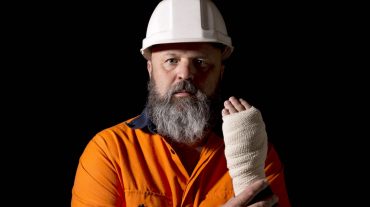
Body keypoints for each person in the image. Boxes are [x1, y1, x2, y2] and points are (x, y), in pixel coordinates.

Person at [71, 0, 291, 206]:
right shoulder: (109, 151)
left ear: (221, 72)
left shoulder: (254, 153)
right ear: (150, 70)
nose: (185, 74)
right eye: (171, 60)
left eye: (201, 62)